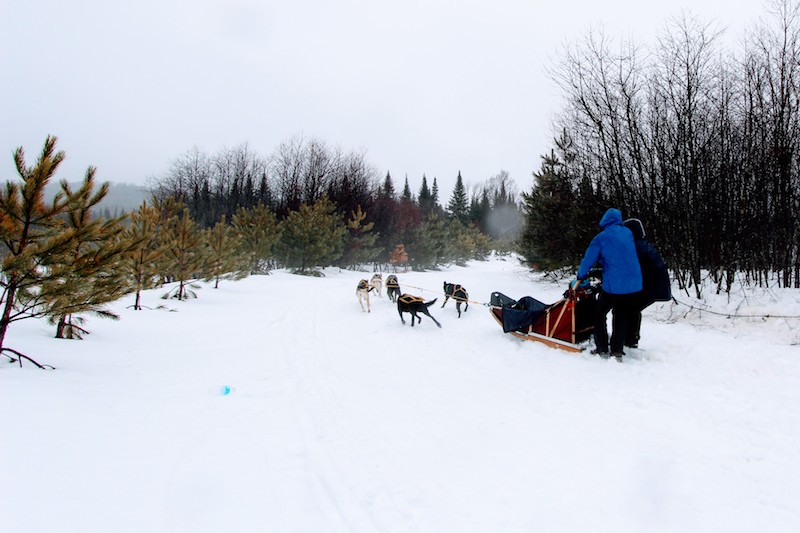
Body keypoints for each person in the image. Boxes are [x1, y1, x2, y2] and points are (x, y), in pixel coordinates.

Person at [575, 208, 642, 361]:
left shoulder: (602, 237)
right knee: (621, 315)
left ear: (605, 220)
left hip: (615, 283)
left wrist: (581, 275)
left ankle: (602, 347)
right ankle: (617, 349)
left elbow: (588, 259)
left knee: (599, 314)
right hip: (633, 283)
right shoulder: (627, 233)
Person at [622, 218, 671, 348]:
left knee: (628, 308)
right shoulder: (642, 244)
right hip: (654, 286)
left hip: (651, 287)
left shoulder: (635, 247)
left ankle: (629, 340)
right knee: (632, 308)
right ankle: (630, 338)